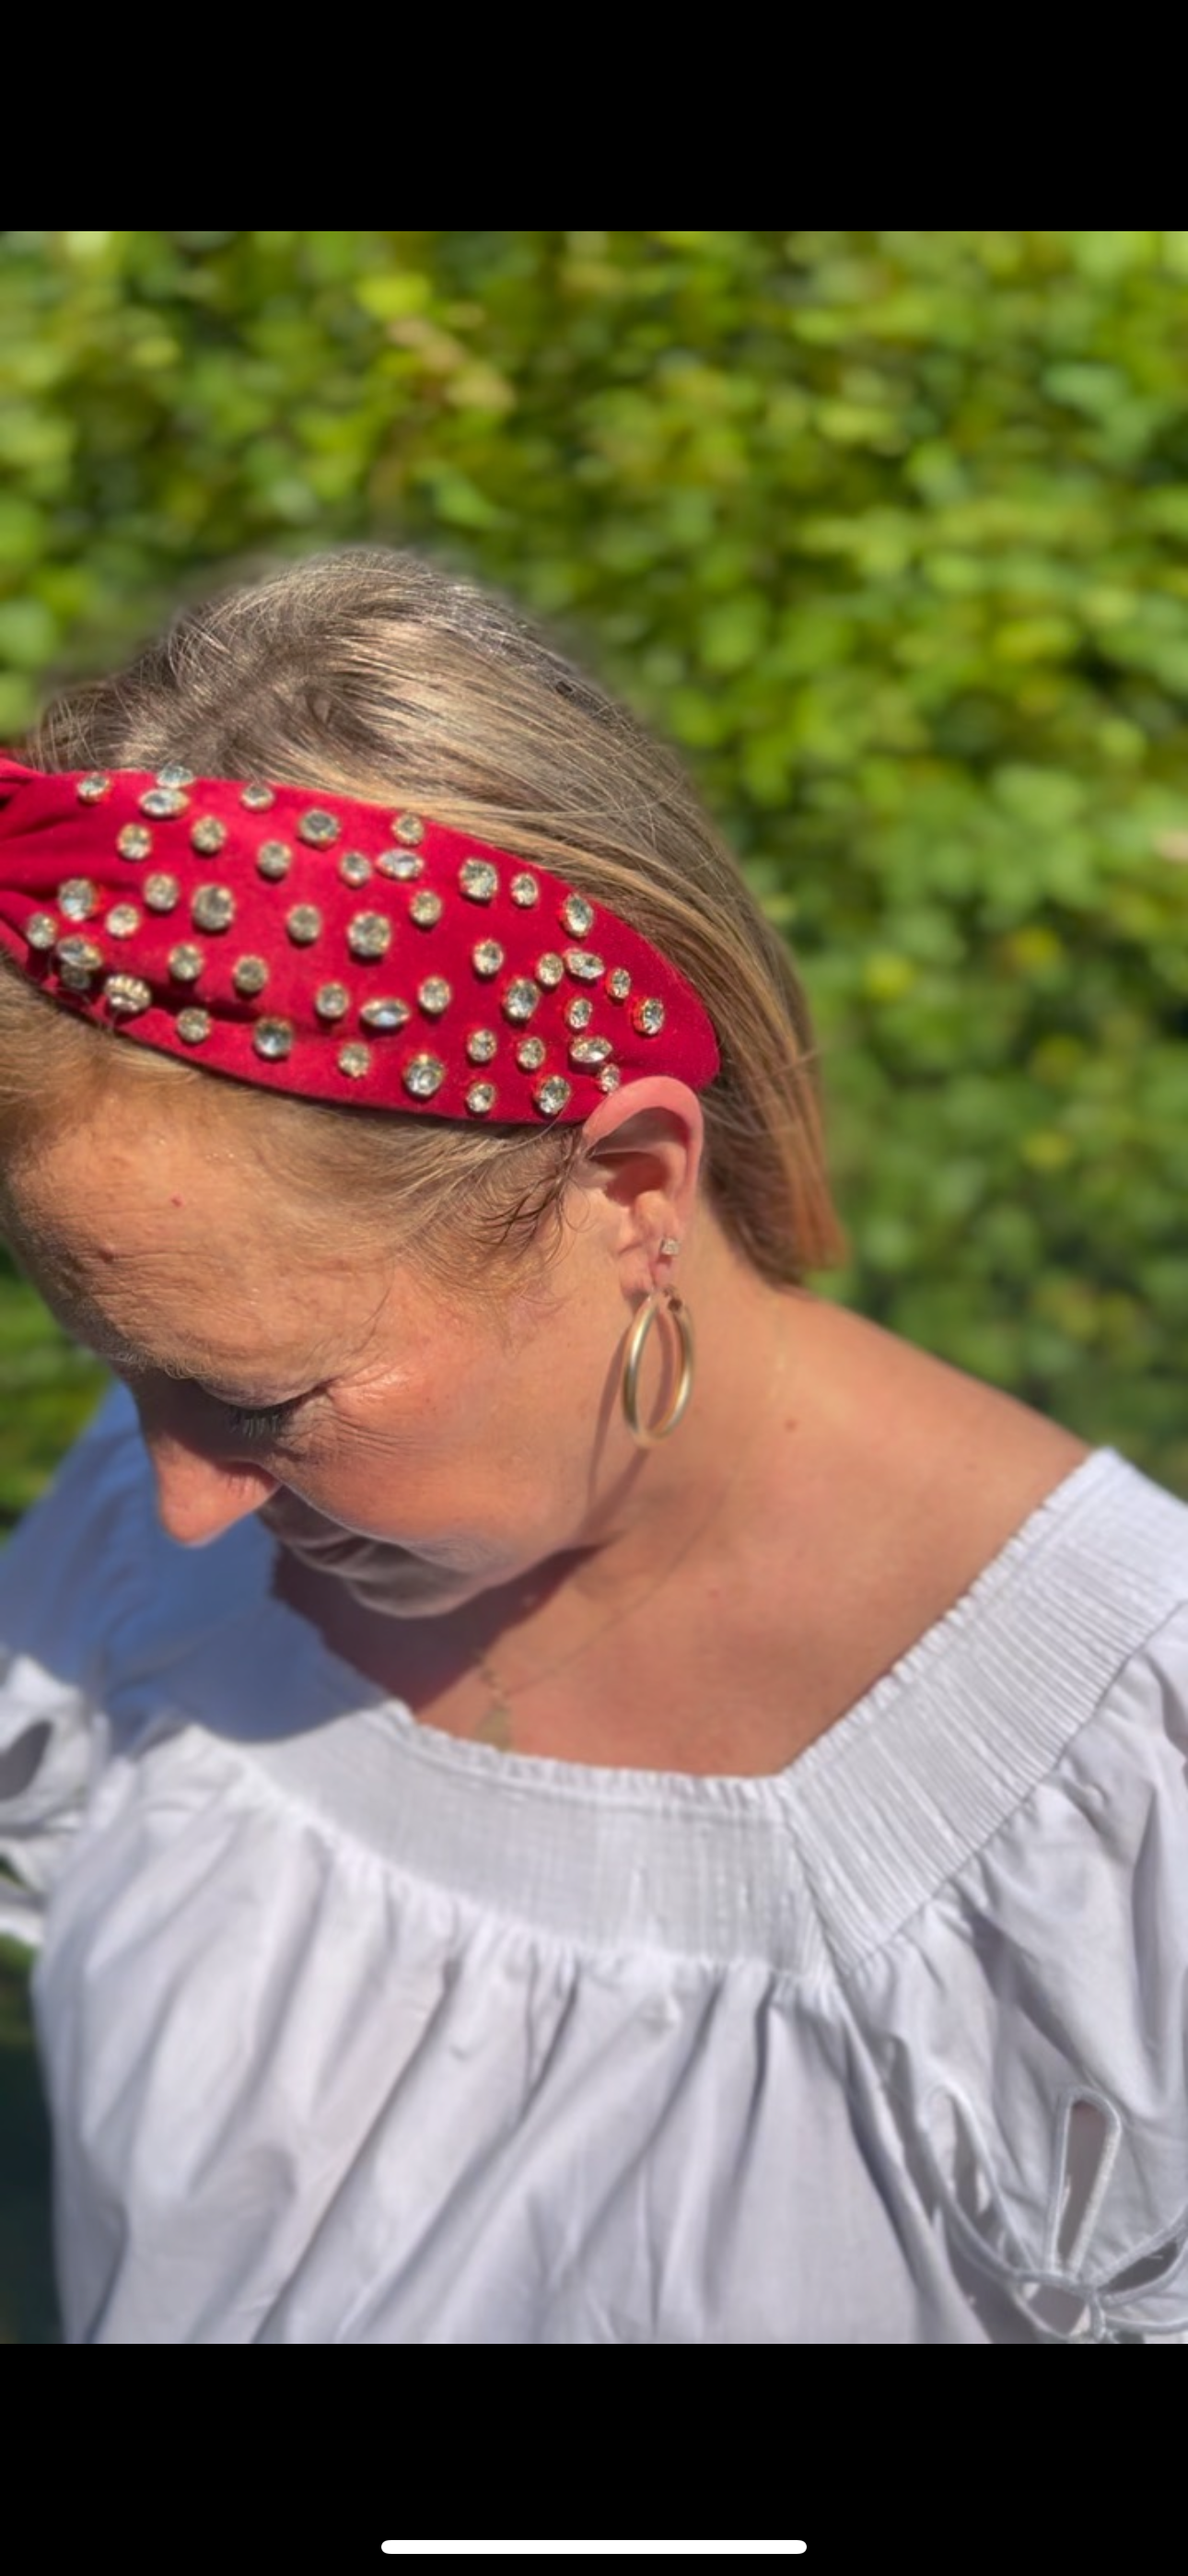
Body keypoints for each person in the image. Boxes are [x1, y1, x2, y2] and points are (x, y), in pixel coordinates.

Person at [0, 548, 1185, 2348]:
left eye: (269, 1402)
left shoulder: (1120, 1827)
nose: (172, 1500)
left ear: (630, 1189)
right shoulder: (166, 1571)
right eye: (125, 1366)